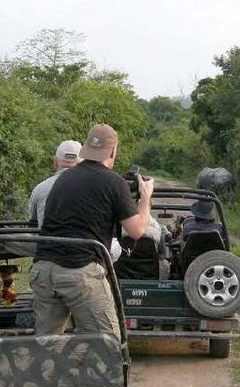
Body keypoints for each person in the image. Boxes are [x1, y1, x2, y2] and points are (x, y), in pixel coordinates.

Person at [30, 123, 153, 340]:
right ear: (113, 152)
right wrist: (145, 197)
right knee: (108, 343)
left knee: (46, 346)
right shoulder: (113, 182)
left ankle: (51, 373)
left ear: (86, 148)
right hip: (78, 271)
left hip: (43, 270)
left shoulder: (63, 178)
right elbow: (136, 230)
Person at [26, 138, 83, 225]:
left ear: (55, 162)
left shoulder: (40, 189)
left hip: (46, 238)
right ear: (82, 164)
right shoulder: (92, 190)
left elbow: (32, 222)